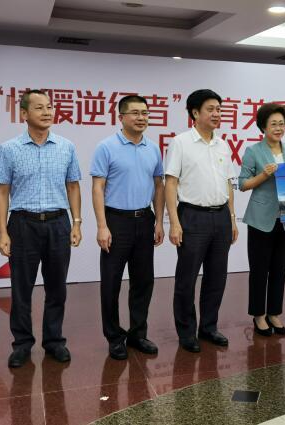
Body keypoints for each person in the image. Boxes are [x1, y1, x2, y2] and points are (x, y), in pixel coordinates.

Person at [0, 89, 82, 368]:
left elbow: (73, 186)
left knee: (57, 288)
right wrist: (2, 231)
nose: (47, 112)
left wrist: (76, 223)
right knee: (22, 289)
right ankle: (22, 344)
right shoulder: (9, 149)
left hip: (58, 223)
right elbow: (1, 191)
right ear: (24, 113)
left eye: (50, 107)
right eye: (39, 107)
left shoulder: (66, 146)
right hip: (23, 224)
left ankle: (54, 341)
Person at [90, 95, 165, 360]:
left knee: (143, 281)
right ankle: (114, 336)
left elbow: (159, 186)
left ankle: (137, 334)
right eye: (135, 113)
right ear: (120, 117)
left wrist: (159, 221)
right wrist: (102, 226)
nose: (141, 117)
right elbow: (97, 187)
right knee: (111, 282)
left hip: (144, 219)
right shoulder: (106, 147)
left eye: (145, 113)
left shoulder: (153, 148)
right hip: (116, 220)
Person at [165, 89, 238, 353]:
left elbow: (228, 183)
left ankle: (208, 327)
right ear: (195, 113)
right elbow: (170, 183)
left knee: (217, 277)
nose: (216, 114)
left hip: (221, 216)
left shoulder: (223, 145)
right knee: (186, 279)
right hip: (192, 216)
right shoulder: (180, 143)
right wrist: (174, 223)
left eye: (219, 109)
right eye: (210, 109)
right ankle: (186, 332)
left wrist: (232, 218)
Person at [238, 103, 285, 337]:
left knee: (279, 269)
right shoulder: (253, 151)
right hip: (261, 218)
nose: (278, 128)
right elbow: (243, 184)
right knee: (259, 269)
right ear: (263, 127)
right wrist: (264, 174)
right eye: (273, 124)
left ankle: (274, 312)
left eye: (282, 124)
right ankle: (258, 315)